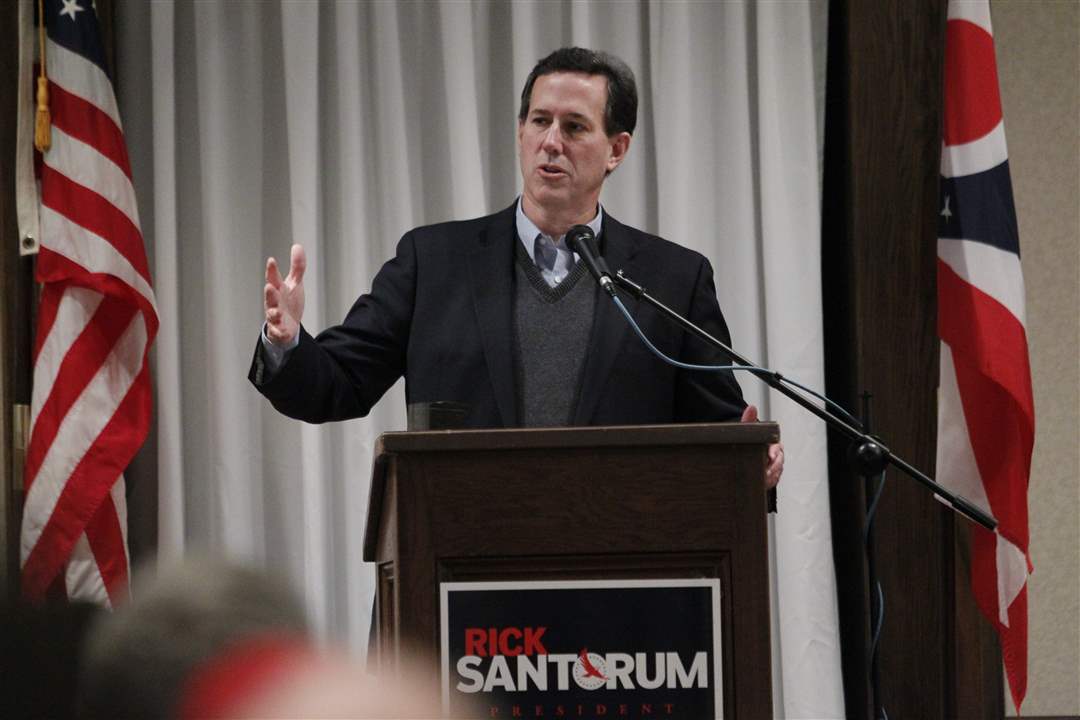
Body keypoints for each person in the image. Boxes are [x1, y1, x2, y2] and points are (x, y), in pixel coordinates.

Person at [250, 47, 783, 487]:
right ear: (521, 132)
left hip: (618, 582)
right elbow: (338, 385)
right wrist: (287, 341)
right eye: (539, 121)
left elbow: (720, 433)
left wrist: (751, 464)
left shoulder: (673, 279)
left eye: (574, 127)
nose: (551, 142)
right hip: (457, 571)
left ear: (616, 149)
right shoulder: (433, 262)